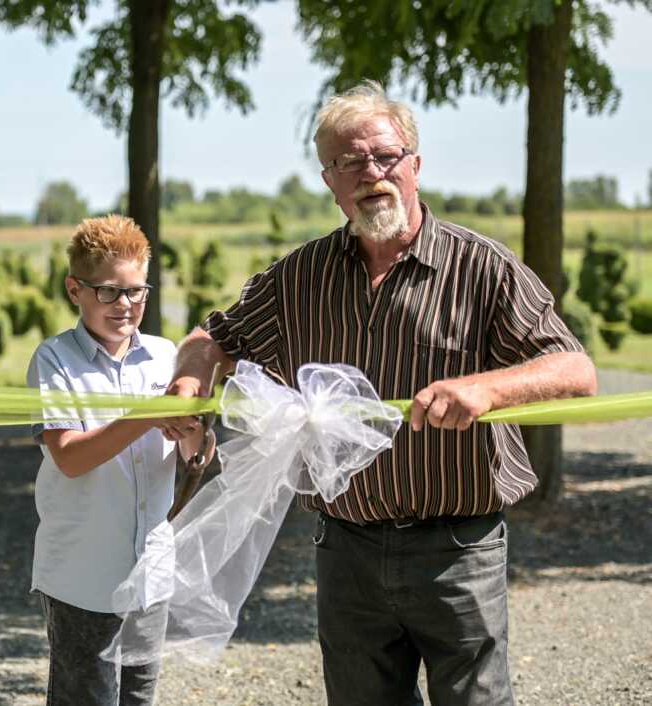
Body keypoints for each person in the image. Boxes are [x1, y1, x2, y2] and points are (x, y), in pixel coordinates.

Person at [161, 81, 597, 705]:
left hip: (457, 547)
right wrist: (189, 381)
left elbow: (575, 369)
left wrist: (487, 389)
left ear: (415, 165)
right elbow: (214, 335)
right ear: (329, 182)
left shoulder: (483, 268)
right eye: (348, 162)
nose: (371, 172)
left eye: (385, 156)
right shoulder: (299, 277)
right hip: (347, 548)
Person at [27, 214, 207, 706]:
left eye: (136, 291)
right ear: (74, 289)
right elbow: (68, 458)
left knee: (139, 698)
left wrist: (192, 431)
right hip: (83, 574)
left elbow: (193, 457)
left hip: (150, 570)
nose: (124, 306)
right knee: (86, 697)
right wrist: (148, 416)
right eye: (107, 291)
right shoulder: (54, 360)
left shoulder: (169, 356)